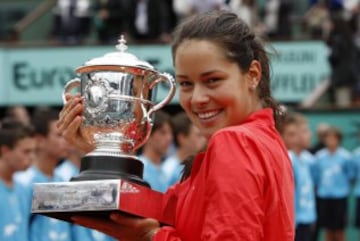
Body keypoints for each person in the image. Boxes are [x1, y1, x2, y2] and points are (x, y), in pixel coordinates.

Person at [57, 10, 295, 241]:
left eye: (213, 80)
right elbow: (159, 210)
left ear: (253, 74)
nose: (197, 98)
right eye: (186, 84)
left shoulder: (235, 142)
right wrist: (101, 152)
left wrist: (152, 237)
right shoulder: (266, 142)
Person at [16, 108, 73, 241]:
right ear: (40, 140)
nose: (66, 140)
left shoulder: (64, 180)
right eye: (59, 135)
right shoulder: (23, 182)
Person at [312, 127, 354, 241]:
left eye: (333, 138)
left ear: (338, 139)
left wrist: (341, 188)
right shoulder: (319, 156)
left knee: (339, 229)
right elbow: (316, 176)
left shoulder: (346, 157)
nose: (330, 140)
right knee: (328, 229)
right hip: (324, 196)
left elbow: (350, 175)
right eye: (328, 137)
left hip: (340, 197)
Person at [281, 113, 316, 241]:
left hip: (307, 219)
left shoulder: (306, 158)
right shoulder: (289, 158)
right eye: (304, 131)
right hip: (296, 223)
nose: (309, 134)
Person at [0, 118, 36, 241]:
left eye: (33, 151)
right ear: (5, 151)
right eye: (26, 152)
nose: (32, 157)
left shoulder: (23, 189)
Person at [162, 111, 206, 186]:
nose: (204, 139)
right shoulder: (169, 169)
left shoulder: (201, 165)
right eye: (198, 135)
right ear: (182, 138)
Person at [137, 110, 174, 193]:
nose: (169, 138)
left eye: (170, 133)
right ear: (148, 135)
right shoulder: (138, 168)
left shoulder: (164, 171)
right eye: (163, 132)